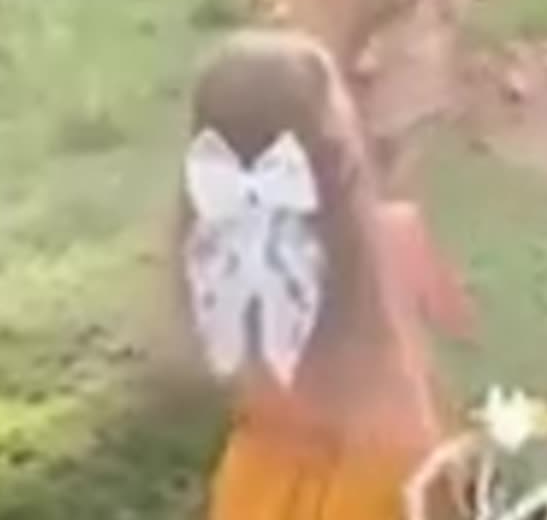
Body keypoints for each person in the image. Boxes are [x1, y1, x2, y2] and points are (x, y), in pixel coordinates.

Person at [172, 28, 473, 520]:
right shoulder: (394, 236)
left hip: (262, 487)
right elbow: (456, 327)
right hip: (382, 489)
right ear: (336, 140)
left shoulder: (214, 257)